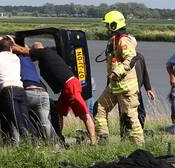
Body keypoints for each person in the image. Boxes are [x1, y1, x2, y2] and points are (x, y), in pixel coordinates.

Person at [12, 40, 97, 144]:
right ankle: (59, 136)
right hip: (65, 88)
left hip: (71, 85)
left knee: (84, 114)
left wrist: (10, 43)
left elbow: (22, 50)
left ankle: (93, 141)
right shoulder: (48, 55)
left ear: (37, 50)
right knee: (59, 112)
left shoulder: (44, 52)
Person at [93, 10, 144, 146]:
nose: (106, 28)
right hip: (114, 86)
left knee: (130, 118)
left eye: (108, 25)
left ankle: (139, 146)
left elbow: (131, 58)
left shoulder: (124, 40)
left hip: (126, 88)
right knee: (99, 108)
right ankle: (103, 140)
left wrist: (117, 72)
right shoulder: (114, 40)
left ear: (114, 25)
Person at [0, 36, 33, 145]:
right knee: (25, 117)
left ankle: (26, 142)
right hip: (20, 88)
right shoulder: (16, 58)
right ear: (11, 48)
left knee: (16, 118)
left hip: (7, 89)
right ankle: (34, 139)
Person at [19, 50, 55, 142]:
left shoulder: (15, 60)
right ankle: (51, 143)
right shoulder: (30, 61)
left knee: (22, 115)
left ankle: (33, 139)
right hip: (43, 92)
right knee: (45, 122)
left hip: (28, 91)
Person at [119, 52, 156, 135]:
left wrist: (148, 89)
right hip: (125, 92)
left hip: (137, 91)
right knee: (125, 115)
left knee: (141, 114)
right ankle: (125, 136)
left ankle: (138, 133)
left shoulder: (139, 56)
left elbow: (145, 72)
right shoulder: (120, 57)